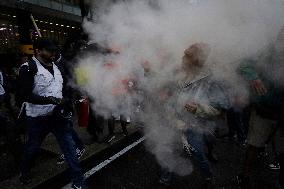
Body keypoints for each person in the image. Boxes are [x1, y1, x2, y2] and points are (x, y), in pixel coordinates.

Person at [160, 43, 230, 189]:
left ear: (198, 60)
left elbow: (219, 108)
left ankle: (208, 177)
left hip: (195, 125)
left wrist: (198, 109)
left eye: (188, 56)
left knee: (198, 153)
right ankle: (164, 179)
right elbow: (169, 94)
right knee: (169, 151)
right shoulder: (177, 72)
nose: (183, 57)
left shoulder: (211, 79)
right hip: (175, 120)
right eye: (184, 54)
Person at [18, 39, 86, 189]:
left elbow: (62, 89)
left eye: (55, 50)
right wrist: (50, 100)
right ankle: (24, 171)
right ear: (38, 51)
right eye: (50, 50)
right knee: (32, 148)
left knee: (69, 148)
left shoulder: (58, 67)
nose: (54, 53)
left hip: (58, 117)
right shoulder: (28, 68)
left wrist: (68, 101)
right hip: (37, 119)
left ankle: (79, 183)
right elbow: (25, 95)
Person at [237, 26, 284, 189]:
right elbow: (243, 64)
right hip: (264, 110)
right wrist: (254, 77)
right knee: (254, 145)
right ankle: (245, 176)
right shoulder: (267, 49)